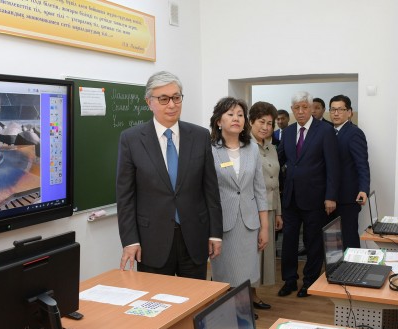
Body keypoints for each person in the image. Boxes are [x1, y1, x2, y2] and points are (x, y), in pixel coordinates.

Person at [116, 71, 223, 279]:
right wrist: (130, 240)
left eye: (176, 97)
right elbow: (125, 196)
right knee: (156, 297)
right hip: (151, 240)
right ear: (149, 102)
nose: (172, 105)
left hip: (194, 237)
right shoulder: (131, 139)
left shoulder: (200, 136)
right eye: (163, 99)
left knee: (194, 296)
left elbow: (211, 190)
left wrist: (215, 233)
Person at [277, 91, 340, 298]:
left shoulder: (325, 131)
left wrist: (331, 196)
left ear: (311, 108)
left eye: (305, 107)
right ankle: (289, 280)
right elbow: (279, 161)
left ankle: (310, 281)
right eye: (297, 108)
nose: (301, 111)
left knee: (313, 242)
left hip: (316, 198)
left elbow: (333, 166)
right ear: (292, 110)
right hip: (290, 198)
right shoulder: (288, 132)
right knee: (289, 241)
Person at [209, 97, 269, 305]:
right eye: (230, 114)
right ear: (219, 121)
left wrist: (264, 227)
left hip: (249, 223)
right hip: (222, 225)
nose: (236, 118)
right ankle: (229, 311)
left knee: (247, 273)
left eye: (240, 115)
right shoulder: (210, 150)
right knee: (225, 274)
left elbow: (259, 189)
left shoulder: (252, 148)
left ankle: (243, 310)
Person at [328, 95, 370, 249]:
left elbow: (362, 164)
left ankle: (353, 264)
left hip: (348, 198)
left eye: (340, 109)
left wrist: (363, 189)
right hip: (330, 197)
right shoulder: (328, 132)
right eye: (333, 109)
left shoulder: (354, 133)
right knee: (332, 241)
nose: (336, 113)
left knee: (348, 238)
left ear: (349, 112)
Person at [249, 101, 283, 295]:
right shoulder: (245, 146)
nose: (265, 127)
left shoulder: (272, 148)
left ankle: (253, 295)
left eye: (269, 123)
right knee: (251, 255)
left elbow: (275, 182)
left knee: (263, 254)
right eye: (261, 122)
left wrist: (278, 213)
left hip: (270, 208)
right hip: (252, 209)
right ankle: (245, 297)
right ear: (251, 122)